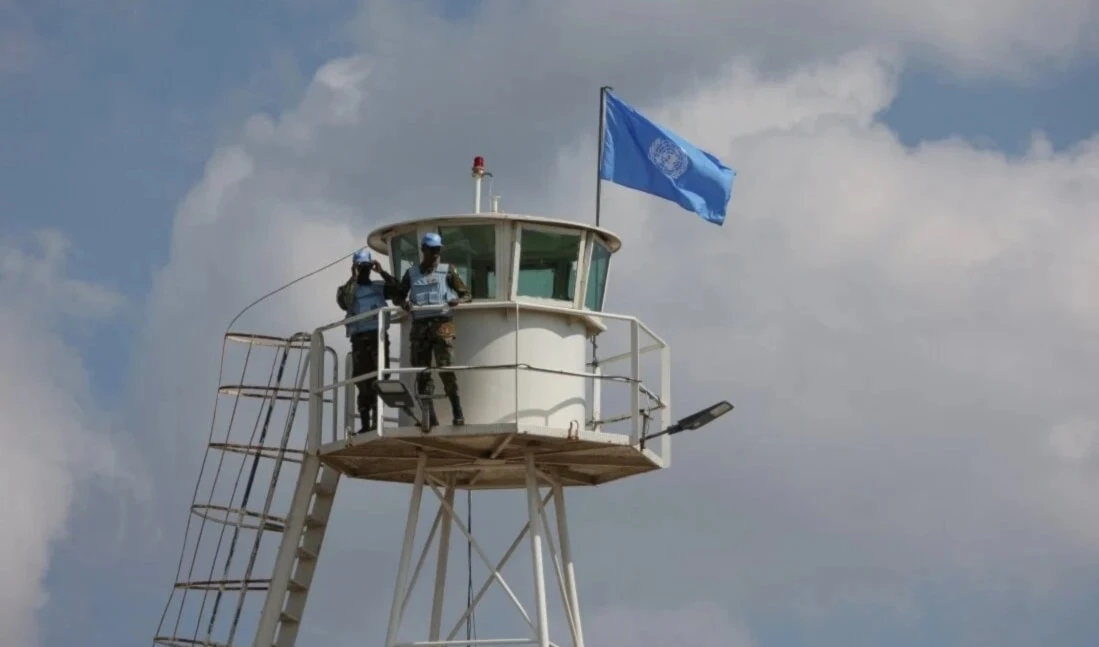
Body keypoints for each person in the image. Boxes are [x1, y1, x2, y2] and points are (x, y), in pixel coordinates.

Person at [395, 232, 472, 427]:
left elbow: (466, 294)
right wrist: (402, 303)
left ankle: (457, 411)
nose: (436, 254)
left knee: (446, 370)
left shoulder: (448, 271)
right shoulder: (411, 274)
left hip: (442, 326)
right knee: (422, 372)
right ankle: (429, 416)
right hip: (420, 328)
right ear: (423, 250)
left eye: (438, 250)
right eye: (433, 250)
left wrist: (457, 300)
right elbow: (398, 296)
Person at [337, 248, 400, 433]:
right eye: (360, 266)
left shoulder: (379, 287)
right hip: (360, 340)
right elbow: (344, 302)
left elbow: (399, 289)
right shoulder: (347, 290)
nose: (363, 270)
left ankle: (376, 420)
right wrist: (354, 278)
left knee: (380, 377)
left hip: (378, 338)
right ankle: (365, 424)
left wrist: (382, 272)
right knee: (363, 382)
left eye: (366, 266)